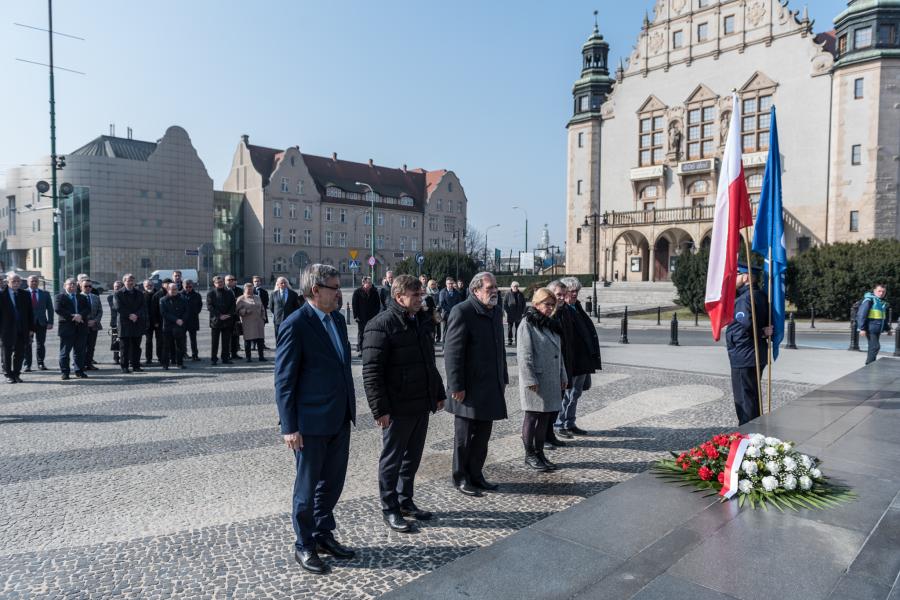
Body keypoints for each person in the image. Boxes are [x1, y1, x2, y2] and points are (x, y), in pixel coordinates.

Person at [274, 264, 356, 575]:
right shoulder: (296, 324)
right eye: (334, 288)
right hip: (309, 423)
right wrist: (289, 426)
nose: (339, 293)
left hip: (339, 416)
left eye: (338, 286)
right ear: (315, 291)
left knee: (333, 483)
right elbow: (284, 380)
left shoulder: (337, 319)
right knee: (306, 489)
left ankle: (323, 534)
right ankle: (304, 544)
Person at [363, 275, 446, 533]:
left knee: (412, 458)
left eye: (421, 294)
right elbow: (372, 371)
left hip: (421, 402)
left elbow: (428, 362)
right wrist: (380, 409)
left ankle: (405, 500)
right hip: (397, 406)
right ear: (400, 297)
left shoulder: (419, 320)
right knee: (392, 460)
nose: (421, 299)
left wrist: (438, 392)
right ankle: (390, 508)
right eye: (416, 295)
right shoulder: (381, 324)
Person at [443, 272, 508, 497]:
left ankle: (476, 474)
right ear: (475, 290)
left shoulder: (496, 311)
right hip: (467, 390)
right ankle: (461, 477)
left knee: (482, 436)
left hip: (490, 386)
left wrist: (504, 377)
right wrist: (455, 386)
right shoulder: (462, 311)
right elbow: (452, 353)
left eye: (495, 287)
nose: (494, 292)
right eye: (490, 288)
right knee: (464, 438)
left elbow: (500, 349)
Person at [517, 288, 568, 472]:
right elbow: (524, 355)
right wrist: (530, 379)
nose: (550, 308)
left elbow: (558, 353)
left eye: (552, 305)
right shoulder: (527, 323)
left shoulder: (550, 324)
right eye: (547, 304)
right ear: (536, 303)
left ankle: (539, 453)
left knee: (545, 417)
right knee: (532, 416)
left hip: (551, 378)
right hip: (536, 379)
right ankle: (529, 454)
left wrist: (563, 374)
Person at [726, 263, 773, 425]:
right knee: (752, 396)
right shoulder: (760, 295)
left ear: (746, 277)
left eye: (738, 274)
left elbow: (745, 327)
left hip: (743, 355)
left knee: (744, 399)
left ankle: (748, 436)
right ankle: (756, 431)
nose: (735, 277)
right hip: (755, 354)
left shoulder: (745, 298)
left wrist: (760, 332)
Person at [555, 277, 602, 436]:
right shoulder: (562, 309)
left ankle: (570, 422)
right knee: (567, 394)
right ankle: (560, 423)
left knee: (575, 393)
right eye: (571, 291)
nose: (574, 294)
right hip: (571, 360)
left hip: (583, 359)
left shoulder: (576, 307)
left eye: (577, 291)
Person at [547, 280, 575, 446]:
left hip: (565, 364)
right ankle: (541, 438)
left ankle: (550, 434)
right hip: (552, 366)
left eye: (563, 295)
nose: (562, 298)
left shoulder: (565, 311)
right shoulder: (549, 314)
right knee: (548, 406)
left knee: (558, 402)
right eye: (559, 295)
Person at [1, 272, 34, 383]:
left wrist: (31, 329)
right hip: (6, 330)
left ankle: (17, 373)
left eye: (18, 281)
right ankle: (8, 374)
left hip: (22, 329)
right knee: (7, 353)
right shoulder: (2, 295)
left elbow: (30, 313)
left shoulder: (25, 294)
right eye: (13, 281)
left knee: (20, 353)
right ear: (7, 282)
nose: (16, 283)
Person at [54, 277, 90, 380]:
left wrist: (80, 316)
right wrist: (74, 317)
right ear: (65, 286)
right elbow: (58, 309)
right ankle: (65, 372)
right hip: (67, 328)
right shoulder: (59, 297)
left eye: (74, 284)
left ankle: (79, 371)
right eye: (70, 284)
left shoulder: (82, 297)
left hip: (81, 328)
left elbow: (88, 309)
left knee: (80, 352)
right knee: (65, 352)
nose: (72, 286)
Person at [115, 274, 147, 373]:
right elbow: (118, 307)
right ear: (124, 281)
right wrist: (130, 315)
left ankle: (136, 365)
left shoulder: (140, 293)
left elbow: (143, 306)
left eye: (132, 280)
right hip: (125, 323)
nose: (130, 282)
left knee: (136, 346)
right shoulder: (118, 293)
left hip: (137, 322)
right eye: (128, 281)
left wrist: (136, 315)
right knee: (124, 347)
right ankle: (124, 366)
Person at [23, 275, 53, 372]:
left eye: (36, 281)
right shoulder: (23, 293)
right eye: (32, 281)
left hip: (41, 322)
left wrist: (50, 322)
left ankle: (41, 363)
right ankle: (27, 365)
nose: (34, 283)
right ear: (28, 282)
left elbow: (50, 309)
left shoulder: (45, 294)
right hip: (28, 323)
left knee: (41, 344)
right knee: (27, 344)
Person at [207, 275, 236, 365]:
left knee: (226, 341)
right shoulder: (211, 293)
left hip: (227, 320)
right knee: (215, 342)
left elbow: (233, 305)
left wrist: (228, 315)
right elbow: (210, 306)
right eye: (218, 282)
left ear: (224, 283)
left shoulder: (229, 292)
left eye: (221, 282)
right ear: (214, 284)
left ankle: (225, 358)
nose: (220, 284)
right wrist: (219, 315)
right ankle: (214, 359)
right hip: (216, 321)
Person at [857, 283, 889, 365]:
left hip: (876, 329)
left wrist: (887, 329)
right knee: (875, 347)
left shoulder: (880, 302)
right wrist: (862, 328)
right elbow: (861, 314)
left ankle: (871, 364)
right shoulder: (869, 300)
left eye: (883, 292)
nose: (881, 293)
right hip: (870, 328)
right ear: (874, 291)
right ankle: (869, 365)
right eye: (879, 291)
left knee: (872, 347)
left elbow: (882, 317)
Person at [159, 282, 189, 370]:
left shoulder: (183, 299)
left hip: (180, 326)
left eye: (175, 289)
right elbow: (164, 313)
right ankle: (165, 364)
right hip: (168, 326)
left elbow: (187, 311)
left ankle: (179, 363)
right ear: (168, 290)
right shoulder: (163, 300)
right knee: (166, 346)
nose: (174, 291)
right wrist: (176, 320)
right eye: (172, 289)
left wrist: (182, 320)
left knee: (180, 346)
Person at [351, 276, 382, 354]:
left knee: (371, 333)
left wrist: (375, 315)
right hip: (361, 317)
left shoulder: (374, 292)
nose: (370, 284)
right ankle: (360, 349)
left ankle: (370, 348)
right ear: (363, 283)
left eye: (371, 282)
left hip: (372, 317)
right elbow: (354, 305)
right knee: (361, 333)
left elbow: (377, 305)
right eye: (368, 282)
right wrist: (356, 316)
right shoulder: (357, 292)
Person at [237, 282, 267, 362]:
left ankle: (261, 357)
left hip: (259, 322)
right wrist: (245, 311)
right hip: (247, 322)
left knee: (260, 340)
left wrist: (263, 317)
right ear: (245, 289)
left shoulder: (257, 297)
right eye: (248, 289)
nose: (250, 291)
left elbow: (262, 308)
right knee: (248, 340)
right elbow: (237, 311)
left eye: (251, 289)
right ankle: (248, 357)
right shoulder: (241, 298)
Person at [80, 279, 103, 370]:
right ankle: (80, 364)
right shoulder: (78, 297)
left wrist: (95, 321)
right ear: (81, 287)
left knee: (91, 346)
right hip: (81, 325)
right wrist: (85, 322)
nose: (88, 288)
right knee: (81, 346)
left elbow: (100, 311)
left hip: (94, 325)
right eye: (86, 286)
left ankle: (89, 363)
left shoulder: (95, 297)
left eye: (90, 286)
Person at [150, 278, 171, 365]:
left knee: (169, 341)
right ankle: (160, 357)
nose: (168, 285)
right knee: (160, 341)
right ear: (163, 285)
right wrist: (155, 321)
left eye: (169, 283)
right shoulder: (157, 295)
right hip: (160, 321)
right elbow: (153, 310)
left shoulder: (172, 293)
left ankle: (169, 357)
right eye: (167, 284)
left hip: (170, 321)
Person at [181, 279, 203, 361]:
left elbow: (200, 306)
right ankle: (183, 353)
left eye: (190, 287)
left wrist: (195, 312)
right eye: (186, 287)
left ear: (192, 286)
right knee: (182, 338)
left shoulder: (197, 295)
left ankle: (195, 354)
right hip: (182, 320)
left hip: (193, 319)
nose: (188, 288)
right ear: (183, 286)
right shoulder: (179, 294)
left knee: (193, 339)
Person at [503, 281, 526, 346]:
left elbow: (524, 304)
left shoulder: (521, 294)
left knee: (518, 328)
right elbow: (504, 304)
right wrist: (507, 311)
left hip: (518, 314)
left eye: (516, 286)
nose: (515, 287)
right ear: (511, 287)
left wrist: (523, 312)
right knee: (510, 328)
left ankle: (517, 340)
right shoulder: (508, 294)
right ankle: (510, 340)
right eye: (514, 286)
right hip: (510, 314)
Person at [438, 277, 462, 342]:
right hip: (446, 314)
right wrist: (451, 310)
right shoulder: (442, 292)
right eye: (449, 283)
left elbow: (459, 302)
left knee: (454, 330)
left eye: (451, 283)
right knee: (445, 331)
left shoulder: (457, 292)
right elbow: (442, 303)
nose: (450, 285)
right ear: (446, 284)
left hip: (455, 314)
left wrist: (455, 311)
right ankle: (444, 346)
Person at [225, 275, 243, 358]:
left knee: (236, 335)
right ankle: (227, 353)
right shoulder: (223, 290)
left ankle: (234, 353)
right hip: (226, 316)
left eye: (233, 279)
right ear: (225, 281)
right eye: (229, 280)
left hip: (236, 316)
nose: (231, 281)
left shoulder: (239, 290)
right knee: (227, 336)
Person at [252, 275, 271, 350]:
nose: (256, 283)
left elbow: (266, 303)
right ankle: (253, 345)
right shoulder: (250, 291)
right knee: (253, 330)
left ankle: (261, 344)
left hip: (261, 314)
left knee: (261, 330)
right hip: (252, 314)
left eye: (258, 281)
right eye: (255, 281)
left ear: (260, 282)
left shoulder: (264, 292)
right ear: (253, 282)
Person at [142, 279, 157, 365]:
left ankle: (160, 357)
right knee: (148, 341)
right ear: (144, 287)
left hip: (157, 322)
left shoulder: (158, 294)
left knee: (160, 341)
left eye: (150, 285)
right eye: (147, 285)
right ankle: (148, 358)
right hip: (147, 322)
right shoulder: (142, 295)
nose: (149, 287)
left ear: (153, 285)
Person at [107, 280, 122, 365]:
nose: (117, 288)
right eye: (116, 287)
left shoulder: (125, 296)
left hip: (124, 321)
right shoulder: (110, 297)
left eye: (119, 286)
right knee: (115, 340)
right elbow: (114, 307)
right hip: (114, 321)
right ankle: (116, 357)